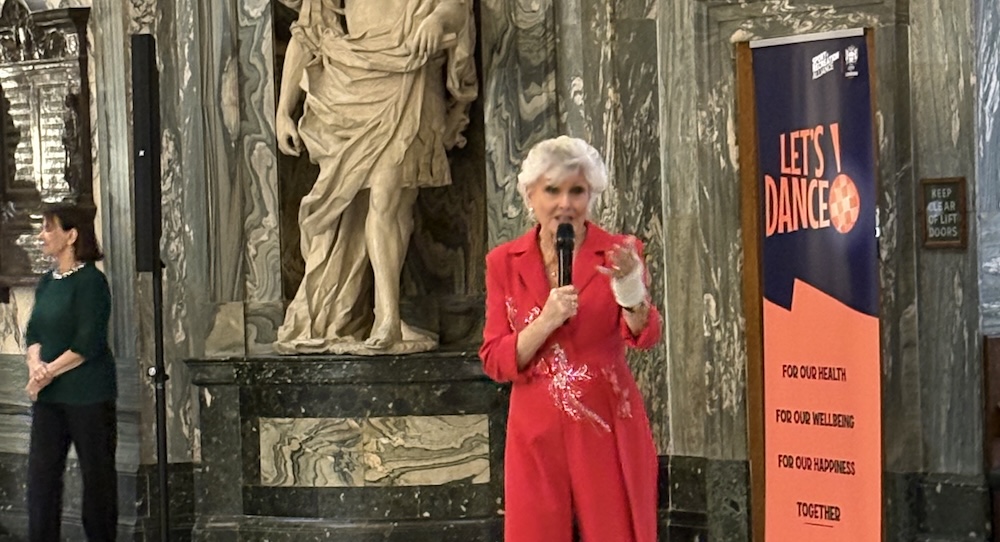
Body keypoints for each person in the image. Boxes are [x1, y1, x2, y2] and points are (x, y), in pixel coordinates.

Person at [479, 136, 661, 542]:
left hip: (607, 422)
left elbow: (645, 335)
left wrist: (631, 292)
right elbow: (495, 360)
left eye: (576, 191)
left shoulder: (620, 253)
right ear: (531, 195)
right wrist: (546, 320)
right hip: (535, 430)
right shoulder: (502, 263)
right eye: (552, 190)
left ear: (591, 195)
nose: (565, 203)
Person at [274, 0, 477, 354]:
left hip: (409, 79)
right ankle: (376, 315)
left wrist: (435, 19)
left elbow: (456, 7)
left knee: (390, 198)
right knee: (371, 206)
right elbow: (308, 33)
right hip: (350, 83)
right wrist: (282, 112)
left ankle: (387, 319)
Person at [23, 204, 117, 541]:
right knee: (41, 479)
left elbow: (87, 343)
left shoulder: (92, 282)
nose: (42, 235)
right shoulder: (47, 282)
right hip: (49, 396)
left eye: (49, 228)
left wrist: (47, 371)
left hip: (89, 395)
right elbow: (33, 332)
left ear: (71, 235)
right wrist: (36, 366)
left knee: (98, 480)